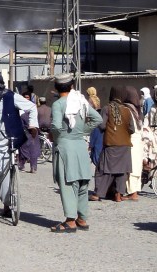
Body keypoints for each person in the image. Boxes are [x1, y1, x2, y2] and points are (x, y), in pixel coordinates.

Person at [50, 73, 102, 233]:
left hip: (66, 147)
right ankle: (82, 218)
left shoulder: (58, 104)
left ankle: (70, 220)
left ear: (57, 88)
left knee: (68, 183)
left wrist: (60, 137)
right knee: (82, 183)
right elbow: (97, 119)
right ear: (72, 86)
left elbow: (56, 126)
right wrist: (80, 132)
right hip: (80, 146)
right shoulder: (80, 101)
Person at [0, 72, 37, 219]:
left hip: (7, 140)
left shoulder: (10, 96)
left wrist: (33, 126)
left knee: (3, 173)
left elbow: (31, 107)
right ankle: (6, 202)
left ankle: (8, 204)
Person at [91, 86, 136, 202]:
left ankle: (98, 194)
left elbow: (101, 125)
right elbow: (132, 129)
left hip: (111, 144)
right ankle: (118, 194)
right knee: (121, 171)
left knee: (103, 169)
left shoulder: (107, 109)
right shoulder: (127, 110)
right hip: (125, 145)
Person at [123, 86, 145, 201]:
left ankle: (132, 192)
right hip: (139, 141)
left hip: (131, 140)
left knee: (131, 167)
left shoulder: (127, 109)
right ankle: (134, 191)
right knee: (136, 167)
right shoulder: (137, 109)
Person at [17, 89, 41, 173]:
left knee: (33, 149)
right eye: (25, 97)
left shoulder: (32, 107)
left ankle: (33, 167)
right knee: (23, 148)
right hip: (24, 131)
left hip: (33, 131)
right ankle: (21, 165)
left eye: (28, 97)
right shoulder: (19, 107)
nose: (26, 99)